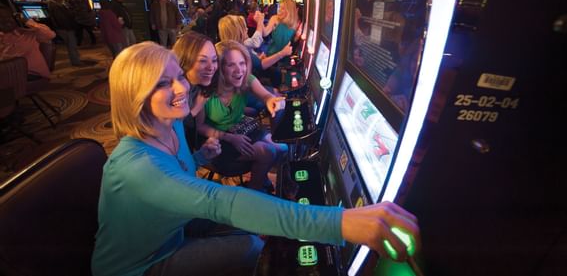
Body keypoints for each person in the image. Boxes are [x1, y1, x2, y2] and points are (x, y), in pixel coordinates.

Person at [92, 40, 421, 276]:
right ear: (135, 96)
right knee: (248, 245)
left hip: (171, 229)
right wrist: (341, 223)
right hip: (141, 265)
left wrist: (199, 154)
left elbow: (176, 174)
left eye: (179, 76)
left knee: (258, 230)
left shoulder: (172, 124)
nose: (180, 88)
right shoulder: (138, 166)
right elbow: (220, 200)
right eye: (163, 84)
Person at [195, 40, 286, 191]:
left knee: (282, 148)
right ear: (220, 68)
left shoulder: (246, 79)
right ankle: (253, 194)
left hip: (241, 128)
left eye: (242, 63)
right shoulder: (206, 90)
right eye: (231, 65)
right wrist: (230, 138)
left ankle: (266, 179)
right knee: (267, 152)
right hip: (216, 141)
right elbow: (200, 126)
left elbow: (265, 95)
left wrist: (271, 100)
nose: (239, 70)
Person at [172, 31, 218, 149]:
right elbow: (173, 130)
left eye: (214, 60)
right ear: (184, 60)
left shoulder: (199, 86)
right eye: (203, 61)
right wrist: (195, 109)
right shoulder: (171, 91)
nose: (211, 67)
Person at [218, 13, 292, 76]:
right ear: (237, 32)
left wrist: (257, 58)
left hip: (252, 78)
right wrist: (282, 53)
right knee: (276, 73)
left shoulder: (234, 46)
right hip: (251, 84)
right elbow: (261, 65)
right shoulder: (239, 49)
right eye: (244, 28)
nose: (247, 29)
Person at [0, 5, 55, 79]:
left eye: (8, 17)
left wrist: (27, 21)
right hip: (7, 73)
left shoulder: (29, 34)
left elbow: (50, 35)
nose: (6, 21)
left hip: (30, 73)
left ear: (15, 18)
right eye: (1, 19)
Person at [47, 0, 82, 66]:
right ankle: (76, 61)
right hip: (65, 28)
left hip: (63, 28)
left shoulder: (56, 6)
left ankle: (75, 60)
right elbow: (63, 19)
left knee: (71, 45)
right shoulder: (56, 7)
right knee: (72, 45)